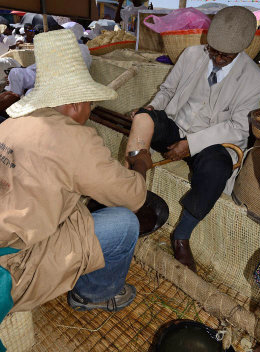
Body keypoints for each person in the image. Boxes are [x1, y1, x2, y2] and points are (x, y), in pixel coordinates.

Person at [0, 29, 152, 336]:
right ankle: (93, 294)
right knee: (124, 224)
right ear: (76, 104)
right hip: (15, 259)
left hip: (9, 228)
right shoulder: (75, 139)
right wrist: (140, 164)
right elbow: (134, 197)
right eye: (88, 103)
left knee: (77, 207)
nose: (88, 111)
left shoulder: (11, 124)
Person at [125, 6, 260, 272]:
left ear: (244, 48)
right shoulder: (192, 55)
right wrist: (151, 109)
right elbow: (167, 92)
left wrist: (191, 145)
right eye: (212, 50)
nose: (215, 57)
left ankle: (181, 235)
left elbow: (237, 127)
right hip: (176, 125)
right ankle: (132, 195)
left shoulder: (254, 80)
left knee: (217, 169)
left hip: (210, 142)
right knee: (143, 120)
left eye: (224, 55)